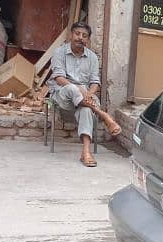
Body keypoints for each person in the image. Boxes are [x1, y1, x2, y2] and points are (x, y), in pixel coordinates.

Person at [48, 22, 121, 167]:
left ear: (88, 39)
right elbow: (59, 78)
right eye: (77, 34)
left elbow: (95, 82)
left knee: (86, 110)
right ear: (71, 34)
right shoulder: (59, 52)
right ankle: (104, 115)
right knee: (72, 89)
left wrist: (88, 93)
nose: (80, 38)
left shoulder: (92, 57)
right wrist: (81, 90)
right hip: (62, 94)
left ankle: (86, 152)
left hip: (84, 98)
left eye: (84, 36)